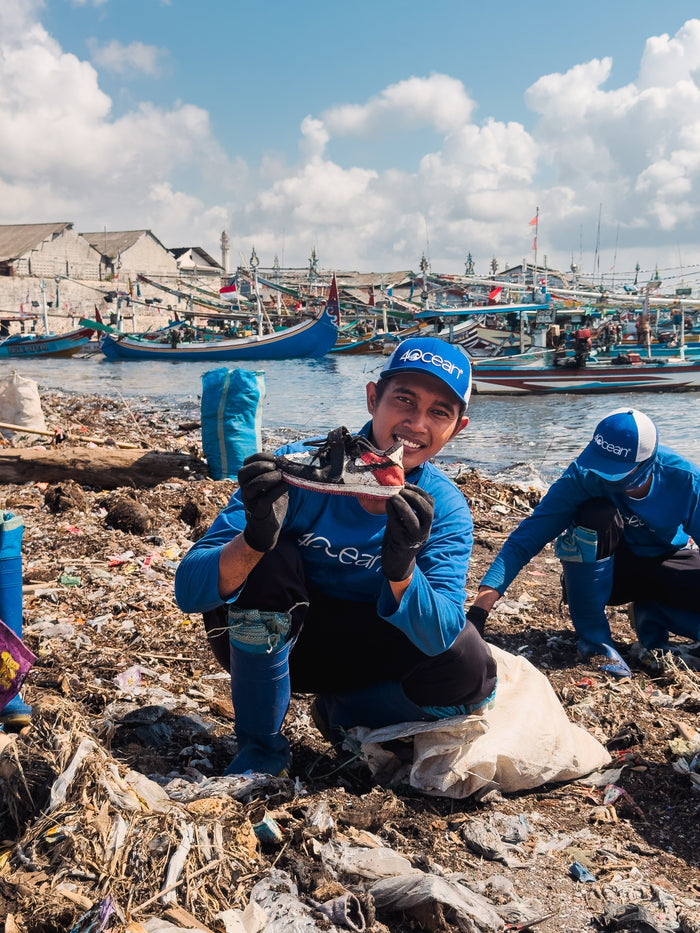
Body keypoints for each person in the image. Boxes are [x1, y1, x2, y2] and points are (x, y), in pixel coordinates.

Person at [175, 338, 497, 776]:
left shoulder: (443, 508)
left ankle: (346, 712)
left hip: (369, 654)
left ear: (457, 428)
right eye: (404, 399)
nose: (416, 423)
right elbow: (189, 591)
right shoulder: (297, 469)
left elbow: (441, 635)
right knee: (270, 560)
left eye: (439, 412)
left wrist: (402, 570)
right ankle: (261, 747)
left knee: (471, 667)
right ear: (372, 398)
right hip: (279, 642)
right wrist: (253, 539)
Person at [471, 408, 700, 678]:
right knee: (596, 516)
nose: (602, 477)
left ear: (646, 464)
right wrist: (478, 612)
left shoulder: (685, 479)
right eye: (600, 465)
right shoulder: (583, 475)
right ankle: (595, 644)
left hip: (665, 558)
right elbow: (526, 539)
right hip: (606, 570)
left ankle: (652, 615)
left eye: (614, 472)